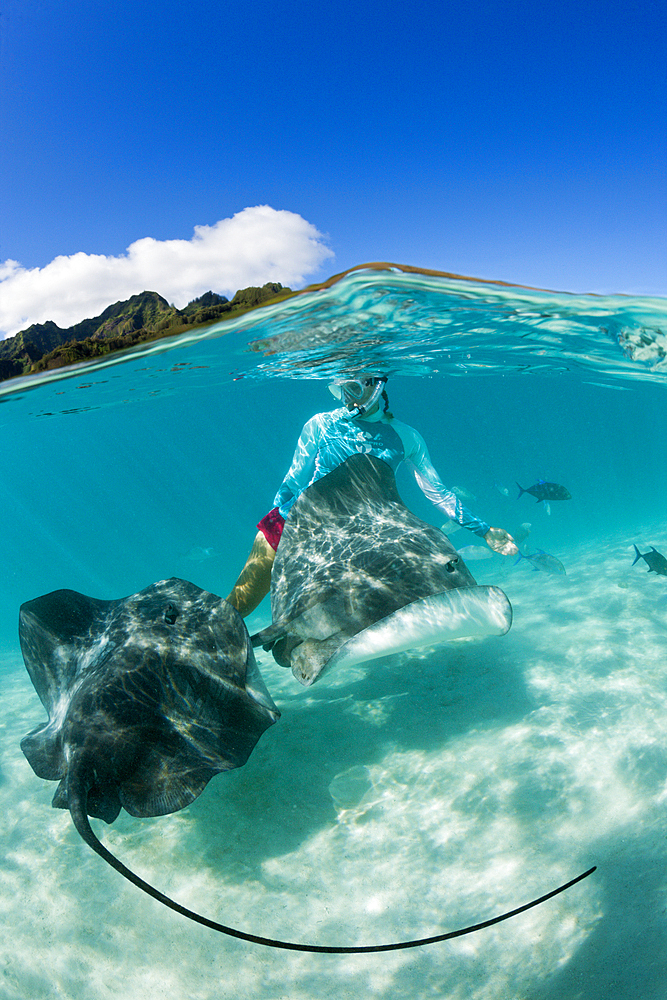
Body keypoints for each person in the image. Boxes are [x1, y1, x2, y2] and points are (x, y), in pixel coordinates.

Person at [227, 376, 518, 616]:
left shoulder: (405, 436)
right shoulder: (320, 423)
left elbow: (438, 494)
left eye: (353, 388)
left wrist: (485, 531)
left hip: (355, 541)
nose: (346, 398)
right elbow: (292, 482)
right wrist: (282, 526)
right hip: (295, 525)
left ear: (375, 385)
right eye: (340, 390)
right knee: (239, 606)